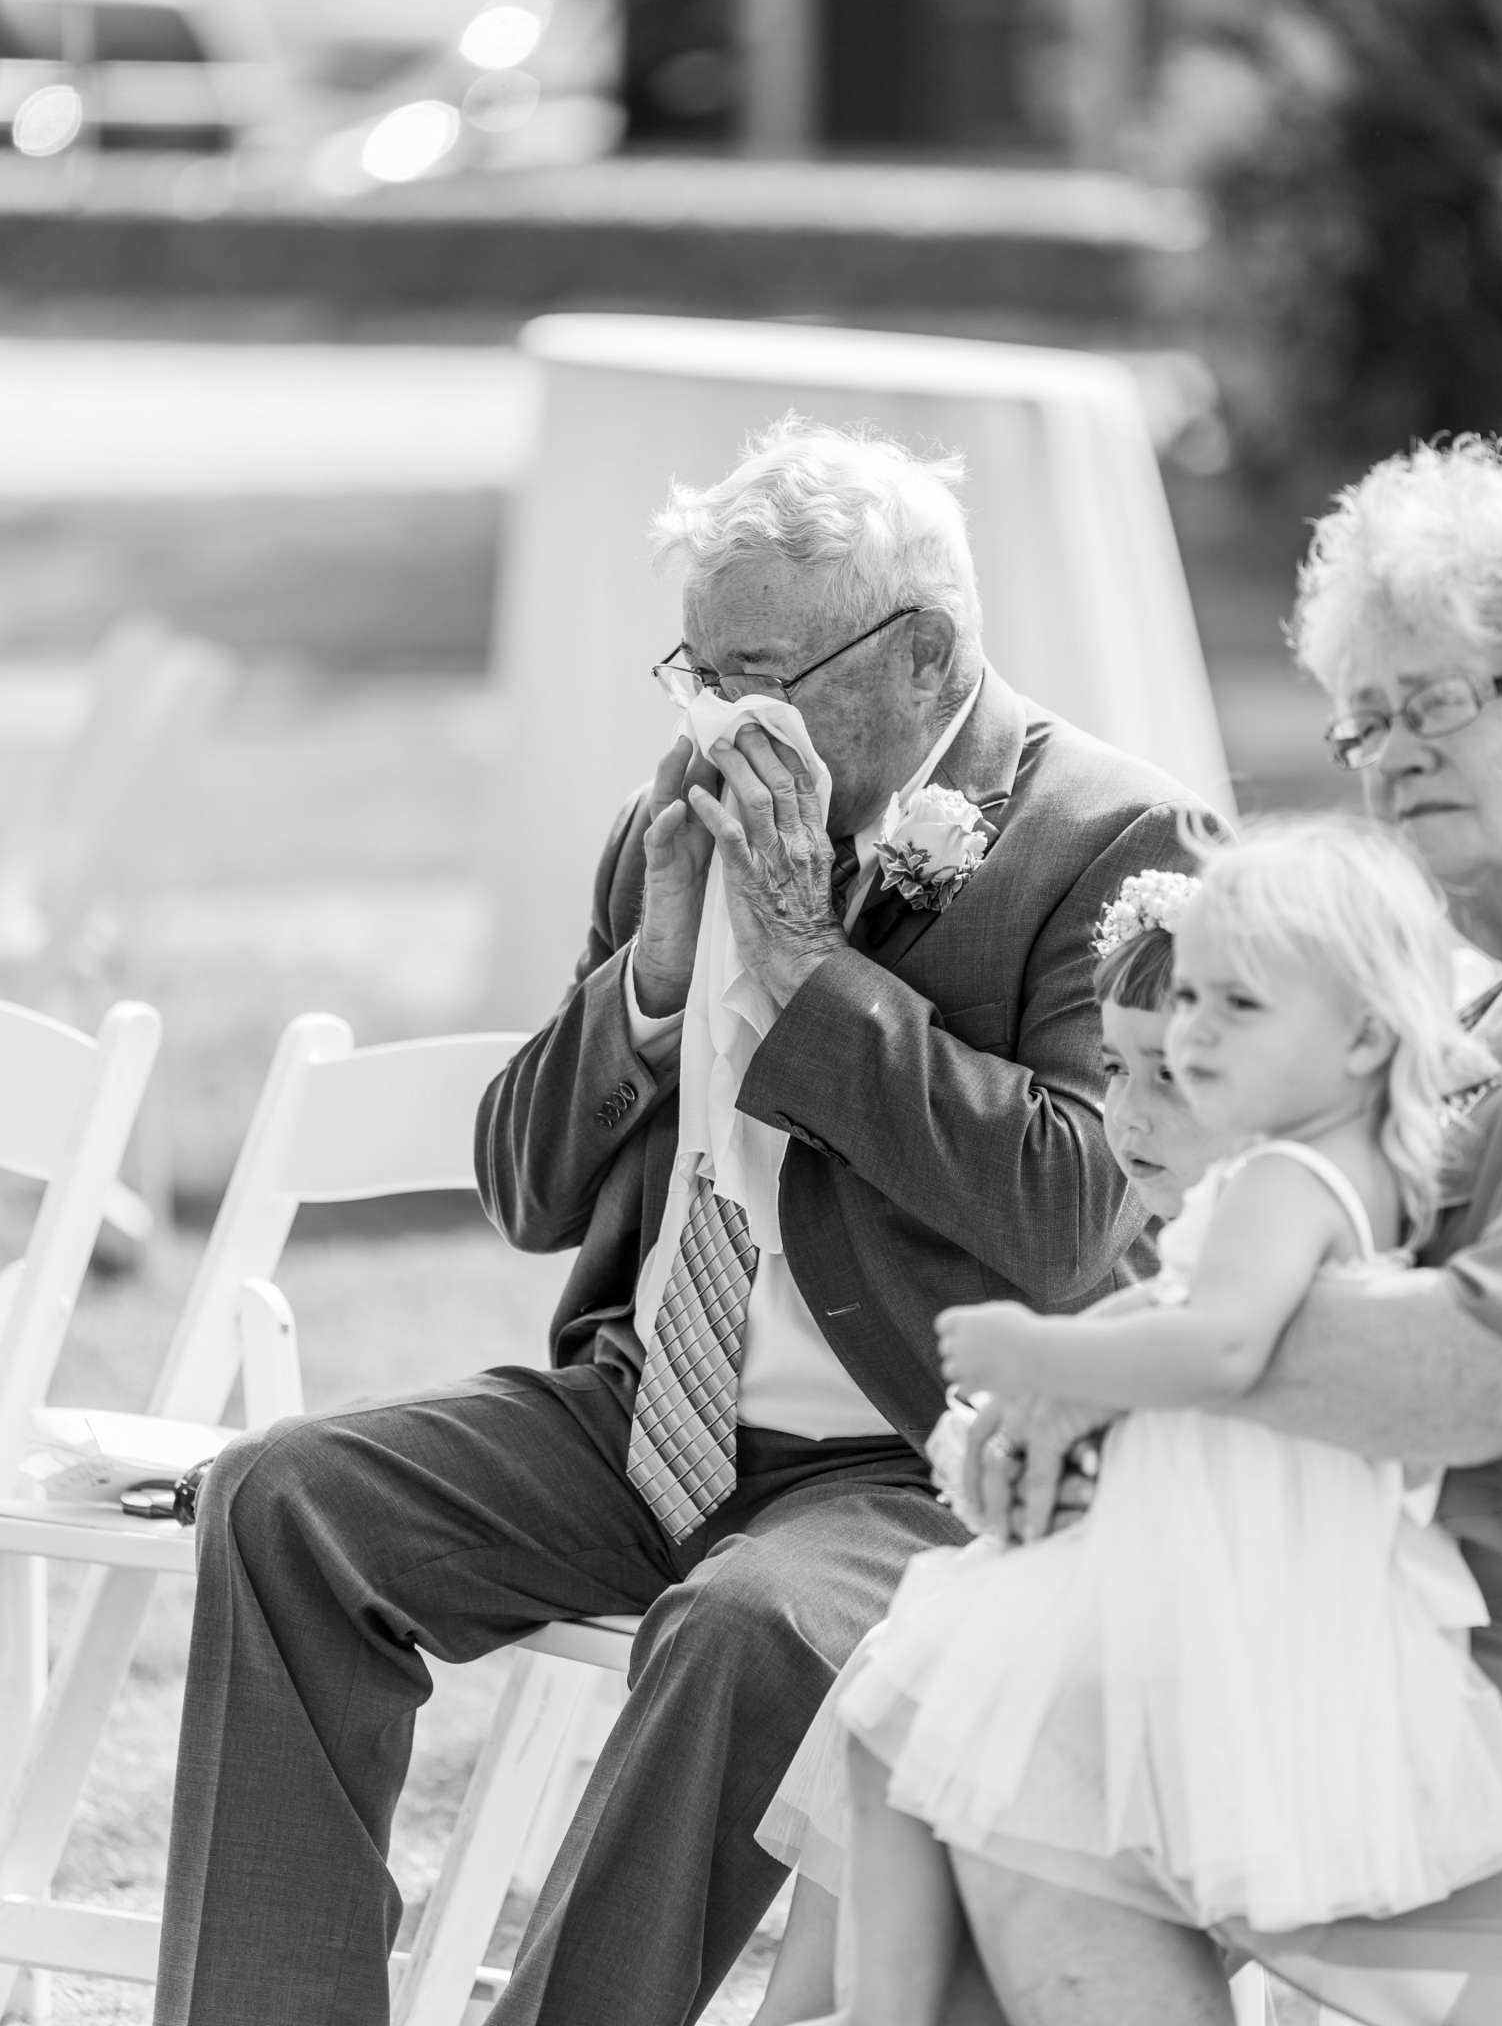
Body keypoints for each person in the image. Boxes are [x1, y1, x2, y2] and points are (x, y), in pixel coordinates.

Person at [152, 421, 1202, 2026]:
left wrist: (805, 963)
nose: (719, 719)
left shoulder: (1117, 844)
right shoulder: (680, 818)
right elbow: (524, 1188)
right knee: (284, 1498)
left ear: (924, 658)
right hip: (652, 1418)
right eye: (696, 672)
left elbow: (1072, 1213)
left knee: (738, 1629)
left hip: (934, 1460)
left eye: (762, 672)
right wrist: (648, 979)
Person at [942, 437, 1502, 2026]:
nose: (1384, 758)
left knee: (1014, 1757)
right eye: (1362, 721)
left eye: (1434, 703)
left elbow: (1482, 1377)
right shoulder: (1498, 1018)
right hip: (1405, 1644)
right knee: (975, 1715)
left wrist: (1098, 1369)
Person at [757, 820, 1502, 2026]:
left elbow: (1218, 1350)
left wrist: (1049, 1357)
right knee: (907, 1727)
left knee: (916, 1724)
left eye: (1230, 1011)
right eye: (1183, 1007)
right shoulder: (1346, 1173)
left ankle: (869, 2015)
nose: (1188, 1040)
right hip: (1217, 1573)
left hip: (1227, 1607)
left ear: (1360, 1034)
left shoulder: (1280, 1183)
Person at [751, 862, 1221, 2026]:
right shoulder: (1200, 1235)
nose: (1129, 1112)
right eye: (1113, 1068)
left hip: (1208, 1645)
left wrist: (1051, 1385)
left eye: (1179, 1075)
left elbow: (1204, 1371)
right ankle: (829, 2011)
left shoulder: (1269, 1225)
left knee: (938, 1706)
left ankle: (852, 2011)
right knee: (903, 1690)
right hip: (1120, 1602)